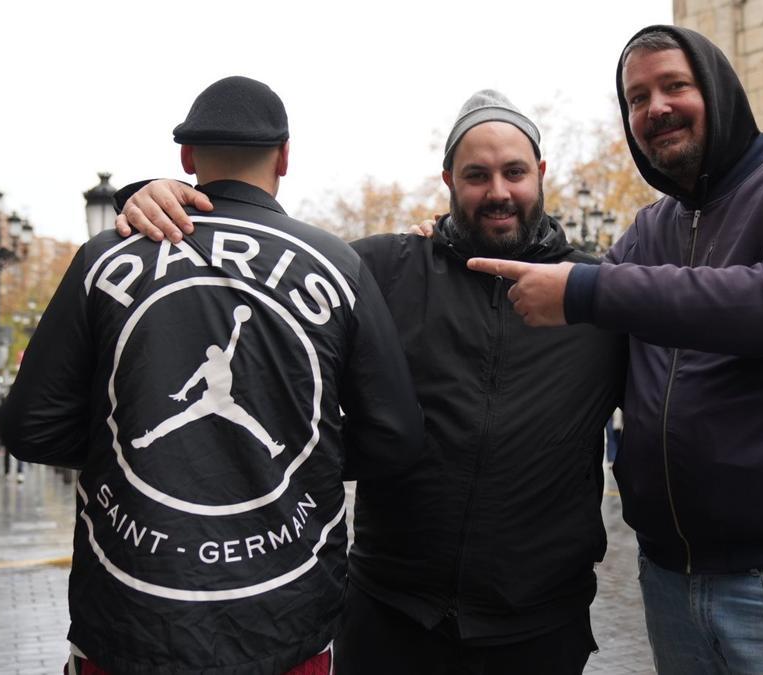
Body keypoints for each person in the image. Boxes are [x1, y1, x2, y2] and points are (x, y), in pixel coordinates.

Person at [115, 90, 627, 674]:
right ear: (448, 181)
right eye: (476, 176)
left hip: (539, 624)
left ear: (539, 173)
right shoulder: (385, 268)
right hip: (391, 615)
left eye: (514, 173)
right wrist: (149, 196)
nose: (498, 193)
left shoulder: (595, 295)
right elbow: (261, 264)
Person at [468, 26, 763, 673]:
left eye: (674, 85)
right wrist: (442, 242)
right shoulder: (649, 230)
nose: (655, 107)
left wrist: (586, 287)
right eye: (637, 98)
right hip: (672, 581)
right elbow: (588, 342)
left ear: (719, 91)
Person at [0, 76, 424, 675]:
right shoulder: (339, 266)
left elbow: (29, 428)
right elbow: (398, 435)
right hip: (285, 625)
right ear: (285, 157)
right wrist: (307, 459)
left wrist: (122, 447)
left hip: (129, 623)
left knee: (192, 421)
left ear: (187, 158)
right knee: (224, 421)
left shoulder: (105, 257)